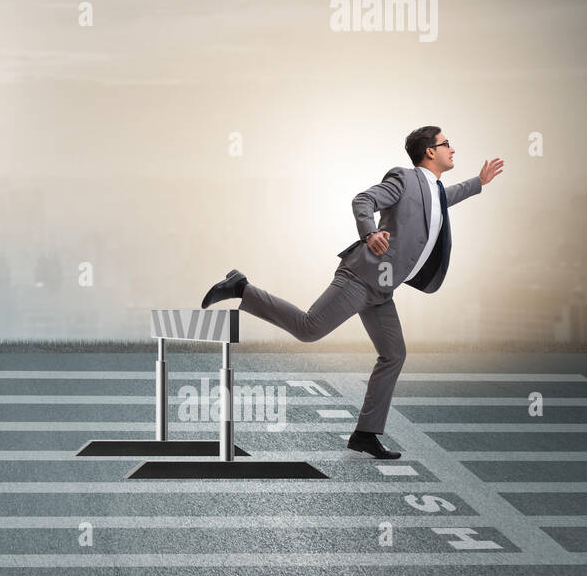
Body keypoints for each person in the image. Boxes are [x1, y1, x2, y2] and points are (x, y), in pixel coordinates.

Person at [200, 127, 504, 459]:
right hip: (361, 276)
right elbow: (364, 199)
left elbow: (446, 198)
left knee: (394, 354)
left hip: (382, 290)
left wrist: (479, 182)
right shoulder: (404, 178)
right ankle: (242, 288)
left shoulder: (435, 190)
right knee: (308, 328)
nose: (453, 149)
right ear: (430, 151)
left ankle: (365, 434)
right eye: (447, 144)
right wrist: (370, 233)